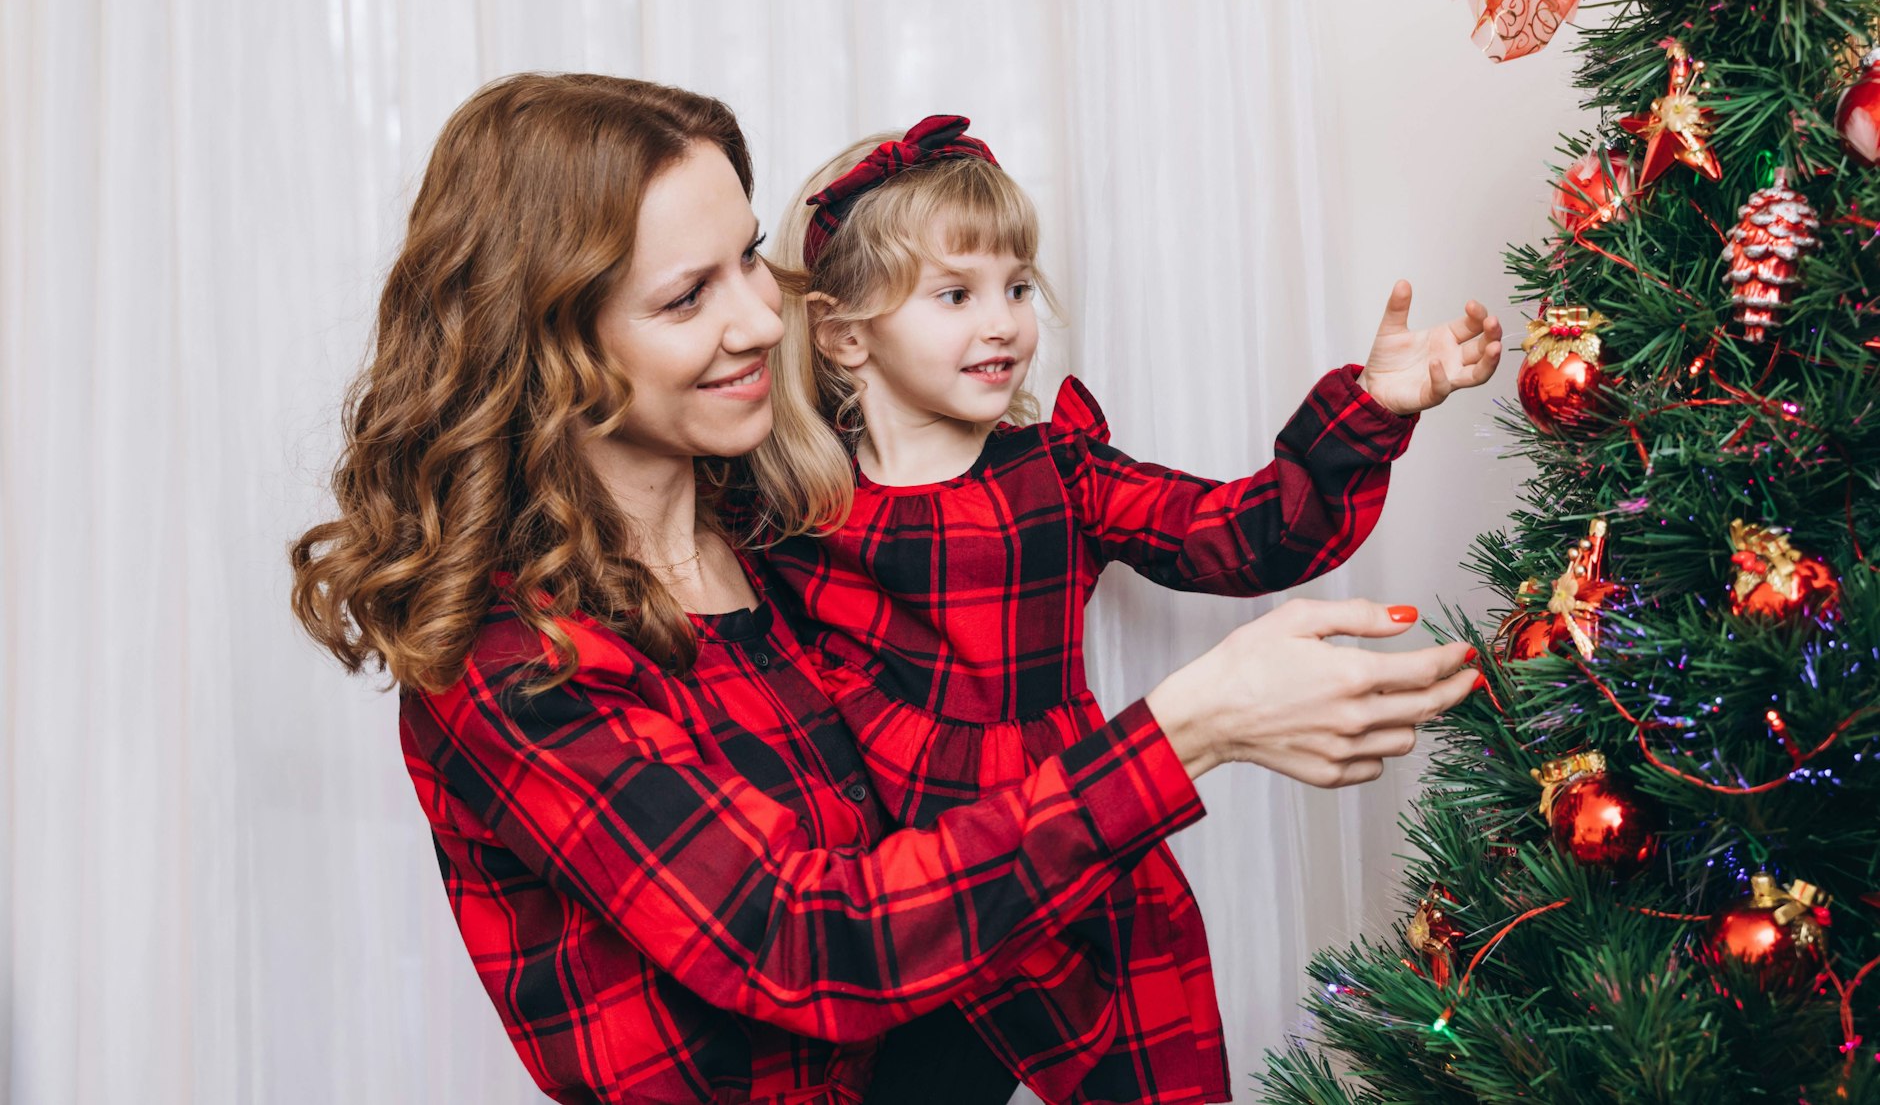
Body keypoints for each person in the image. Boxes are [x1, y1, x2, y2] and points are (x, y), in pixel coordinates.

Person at [289, 73, 1484, 1105]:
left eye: (750, 255)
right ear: (543, 346)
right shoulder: (518, 659)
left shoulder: (773, 521)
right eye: (685, 295)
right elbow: (808, 939)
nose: (766, 315)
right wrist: (1185, 733)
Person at [744, 116, 1501, 1104]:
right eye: (953, 294)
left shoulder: (1058, 470)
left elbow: (1250, 530)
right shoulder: (792, 514)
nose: (1002, 320)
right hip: (916, 896)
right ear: (845, 334)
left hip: (1081, 853)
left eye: (1016, 286)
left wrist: (1375, 404)